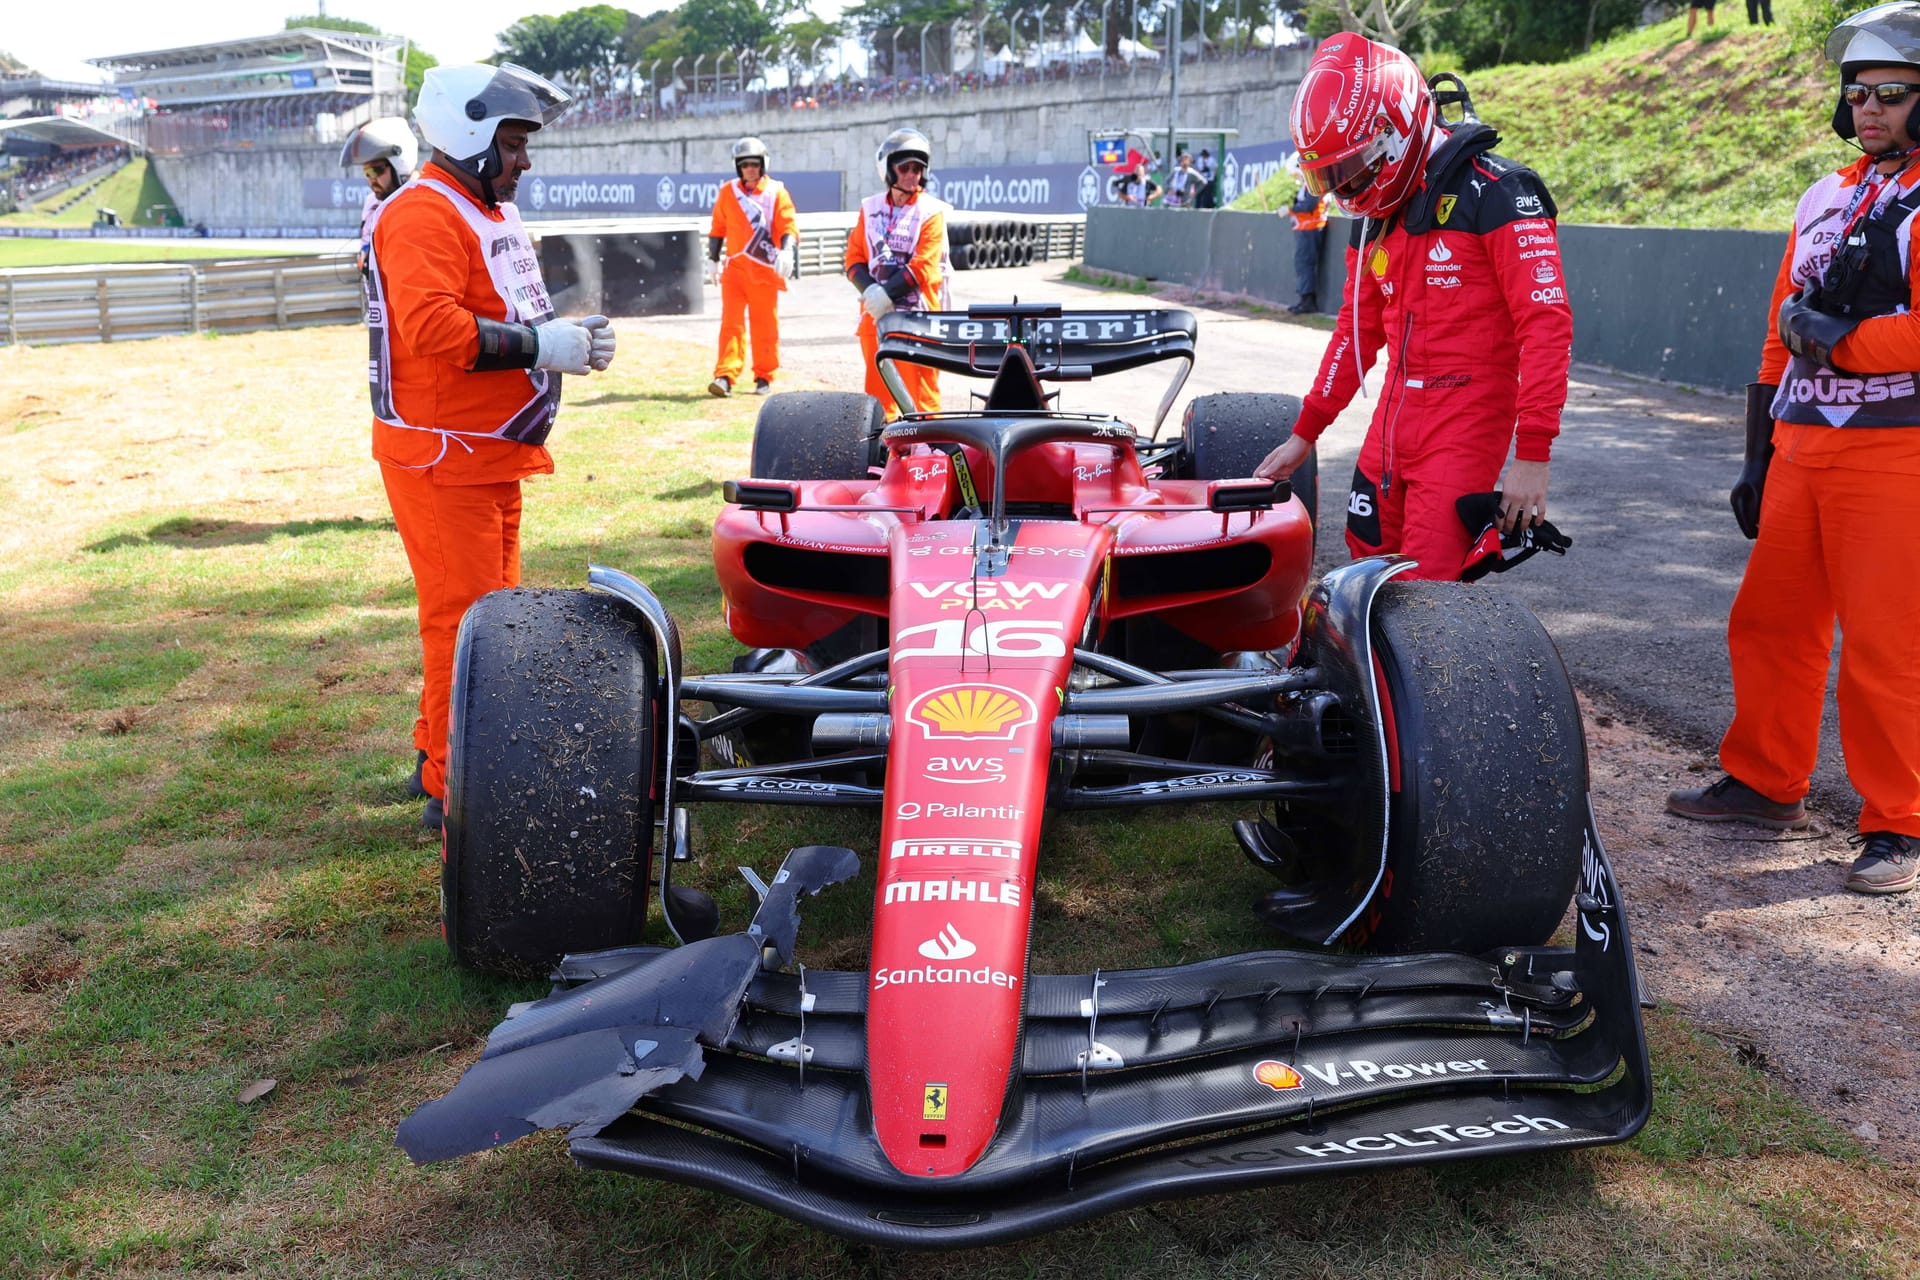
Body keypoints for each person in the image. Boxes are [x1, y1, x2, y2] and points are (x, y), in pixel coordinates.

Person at [1665, 4, 1920, 896]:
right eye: (1858, 94)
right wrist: (1755, 451)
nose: (1870, 109)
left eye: (1892, 93)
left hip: (1897, 456)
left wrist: (1841, 340)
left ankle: (1899, 824)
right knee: (1770, 624)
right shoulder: (1826, 196)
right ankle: (1767, 782)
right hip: (1803, 447)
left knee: (1887, 647)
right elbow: (1780, 331)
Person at [367, 62, 617, 831]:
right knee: (466, 622)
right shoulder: (423, 214)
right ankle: (452, 791)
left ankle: (434, 755)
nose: (525, 161)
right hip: (444, 457)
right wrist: (546, 345)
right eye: (513, 144)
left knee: (485, 617)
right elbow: (436, 330)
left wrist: (561, 339)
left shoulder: (477, 207)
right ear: (471, 136)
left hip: (483, 451)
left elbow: (495, 306)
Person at [1254, 32, 1572, 579]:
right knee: (1364, 573)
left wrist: (1533, 455)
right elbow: (1355, 333)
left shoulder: (1500, 192)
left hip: (1466, 422)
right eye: (1328, 175)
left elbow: (1545, 328)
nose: (1342, 186)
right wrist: (1306, 431)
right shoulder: (1374, 216)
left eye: (1349, 168)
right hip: (1391, 424)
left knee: (1429, 596)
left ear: (1392, 130)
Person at [844, 126, 951, 418]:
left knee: (923, 403)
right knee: (878, 402)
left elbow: (923, 268)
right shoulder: (869, 209)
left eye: (918, 168)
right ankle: (885, 459)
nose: (912, 175)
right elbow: (853, 260)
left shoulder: (931, 212)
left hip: (920, 321)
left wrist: (885, 294)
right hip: (876, 319)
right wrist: (871, 291)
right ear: (889, 169)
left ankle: (931, 456)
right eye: (905, 167)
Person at [706, 136, 799, 397]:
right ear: (738, 167)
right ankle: (725, 375)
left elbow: (787, 224)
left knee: (765, 326)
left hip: (763, 272)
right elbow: (718, 228)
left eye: (754, 164)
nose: (750, 169)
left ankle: (763, 376)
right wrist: (712, 259)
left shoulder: (776, 192)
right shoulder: (728, 192)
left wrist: (787, 250)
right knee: (731, 325)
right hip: (735, 272)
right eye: (745, 164)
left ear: (763, 165)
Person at [339, 116, 416, 275]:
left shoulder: (423, 202)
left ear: (399, 163)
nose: (371, 179)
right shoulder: (372, 202)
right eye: (366, 172)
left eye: (376, 170)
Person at [1286, 176, 1330, 313]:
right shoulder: (1312, 182)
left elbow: (1308, 205)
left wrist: (1291, 209)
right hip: (1308, 227)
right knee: (1303, 263)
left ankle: (1308, 301)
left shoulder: (1316, 182)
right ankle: (1304, 299)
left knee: (1305, 263)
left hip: (1310, 227)